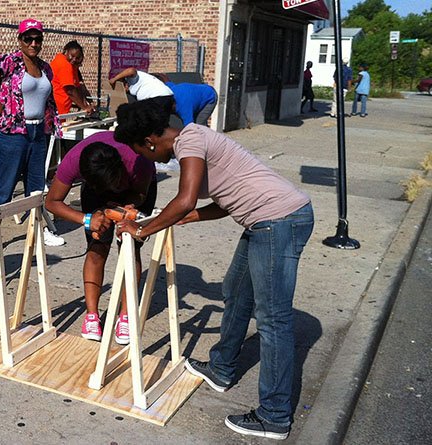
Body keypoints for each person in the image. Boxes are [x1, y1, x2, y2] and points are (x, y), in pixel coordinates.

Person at [114, 99, 314, 440]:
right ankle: (221, 368)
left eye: (140, 152)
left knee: (273, 321)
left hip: (278, 221)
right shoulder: (192, 142)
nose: (146, 159)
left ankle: (275, 416)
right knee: (235, 293)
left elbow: (186, 199)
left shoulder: (189, 140)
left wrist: (143, 230)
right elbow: (221, 203)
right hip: (263, 222)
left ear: (149, 141)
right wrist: (179, 218)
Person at [45, 132, 156, 345]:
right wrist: (88, 219)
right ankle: (92, 315)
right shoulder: (74, 161)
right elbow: (52, 202)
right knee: (97, 246)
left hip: (134, 191)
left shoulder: (138, 160)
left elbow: (141, 194)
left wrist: (126, 211)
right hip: (97, 191)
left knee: (131, 247)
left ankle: (125, 315)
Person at [0, 18, 64, 250]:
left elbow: (47, 98)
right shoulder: (8, 62)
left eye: (37, 38)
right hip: (12, 132)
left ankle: (39, 230)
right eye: (28, 38)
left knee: (36, 186)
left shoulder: (45, 68)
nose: (33, 43)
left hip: (38, 131)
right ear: (19, 40)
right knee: (6, 185)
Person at [49, 40, 94, 116]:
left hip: (57, 108)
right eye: (72, 56)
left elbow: (78, 87)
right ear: (66, 51)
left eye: (77, 58)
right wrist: (85, 107)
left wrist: (89, 103)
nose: (74, 60)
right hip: (56, 109)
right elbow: (70, 91)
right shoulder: (65, 65)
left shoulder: (70, 65)